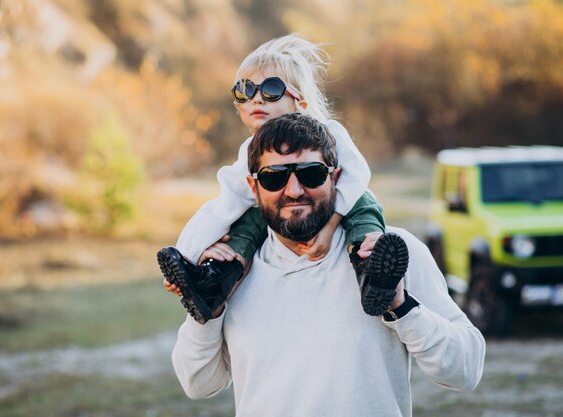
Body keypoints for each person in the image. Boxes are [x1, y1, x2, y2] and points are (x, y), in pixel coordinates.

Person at [171, 113, 486, 417]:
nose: (294, 191)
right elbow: (198, 384)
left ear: (336, 178)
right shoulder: (230, 272)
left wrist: (400, 307)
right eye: (274, 177)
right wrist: (210, 314)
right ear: (253, 188)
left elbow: (465, 370)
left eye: (311, 174)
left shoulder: (387, 252)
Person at [157, 34, 408, 324]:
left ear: (299, 101)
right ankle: (214, 281)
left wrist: (329, 227)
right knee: (248, 217)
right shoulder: (251, 152)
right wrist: (187, 256)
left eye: (272, 89)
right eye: (245, 91)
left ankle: (372, 270)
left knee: (364, 203)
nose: (257, 98)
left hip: (341, 204)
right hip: (278, 215)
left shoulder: (327, 132)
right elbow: (224, 204)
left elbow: (357, 176)